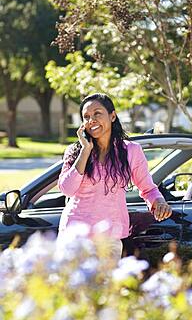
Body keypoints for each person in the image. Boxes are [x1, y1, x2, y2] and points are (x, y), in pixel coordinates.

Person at [57, 93, 172, 259]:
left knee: (104, 285)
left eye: (97, 113)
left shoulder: (131, 151)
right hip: (75, 235)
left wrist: (159, 202)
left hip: (109, 238)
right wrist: (85, 151)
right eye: (86, 117)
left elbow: (147, 188)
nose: (92, 120)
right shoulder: (75, 152)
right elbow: (67, 189)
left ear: (112, 116)